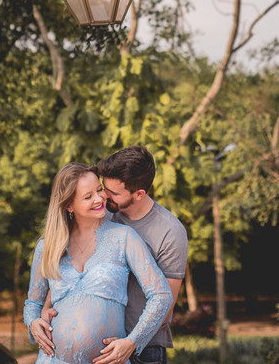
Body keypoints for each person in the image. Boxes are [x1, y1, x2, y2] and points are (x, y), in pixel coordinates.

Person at [32, 147, 188, 364]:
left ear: (139, 194)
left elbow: (165, 301)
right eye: (101, 189)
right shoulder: (102, 213)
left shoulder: (169, 231)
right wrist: (45, 311)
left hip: (143, 346)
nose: (103, 197)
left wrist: (130, 341)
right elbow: (60, 282)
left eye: (109, 192)